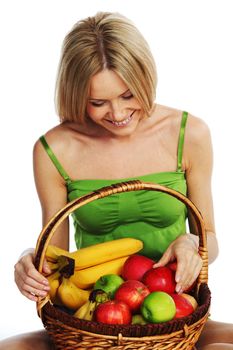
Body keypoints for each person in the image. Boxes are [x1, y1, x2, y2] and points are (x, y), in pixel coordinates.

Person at [1, 11, 233, 350]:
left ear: (145, 78)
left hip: (173, 312)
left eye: (128, 95)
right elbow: (57, 254)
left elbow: (208, 237)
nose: (118, 114)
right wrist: (30, 262)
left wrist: (191, 243)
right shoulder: (54, 149)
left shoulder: (189, 134)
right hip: (92, 318)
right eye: (98, 103)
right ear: (77, 94)